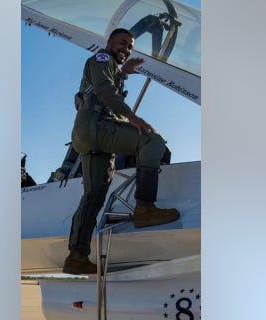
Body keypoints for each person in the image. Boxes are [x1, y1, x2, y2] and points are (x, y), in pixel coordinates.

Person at [63, 28, 180, 275]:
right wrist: (133, 118)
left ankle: (76, 257)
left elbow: (104, 83)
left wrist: (123, 73)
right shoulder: (101, 58)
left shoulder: (108, 66)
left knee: (94, 196)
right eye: (122, 43)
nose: (126, 49)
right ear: (109, 42)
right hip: (99, 126)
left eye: (129, 47)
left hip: (86, 134)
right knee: (152, 141)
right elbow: (105, 91)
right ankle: (145, 208)